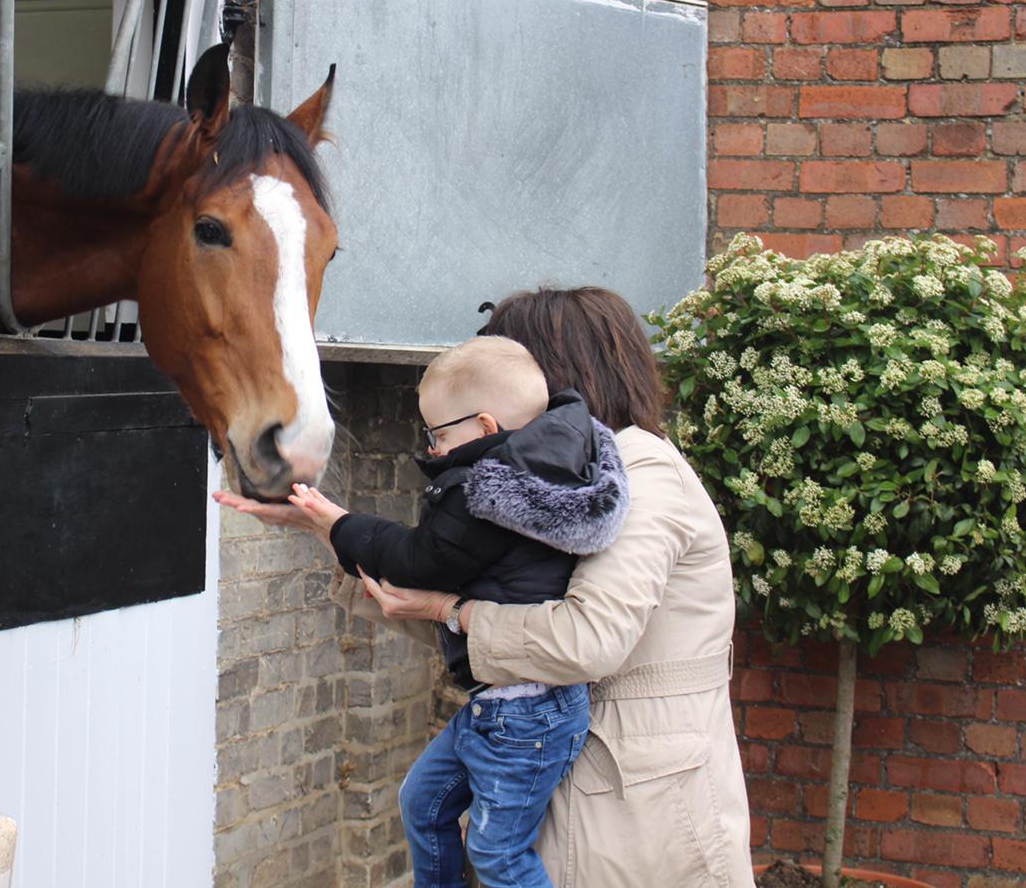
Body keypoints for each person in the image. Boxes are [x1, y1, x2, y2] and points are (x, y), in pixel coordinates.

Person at [348, 287, 755, 888]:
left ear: (552, 375)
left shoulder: (639, 472)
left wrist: (450, 610)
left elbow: (585, 640)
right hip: (575, 784)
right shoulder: (560, 481)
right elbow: (500, 634)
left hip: (638, 815)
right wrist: (333, 535)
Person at [218, 335, 630, 888]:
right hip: (504, 705)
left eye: (438, 434)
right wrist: (326, 526)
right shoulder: (528, 473)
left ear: (484, 427)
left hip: (528, 715)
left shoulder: (490, 493)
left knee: (499, 855)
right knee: (422, 802)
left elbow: (420, 562)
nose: (432, 448)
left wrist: (339, 524)